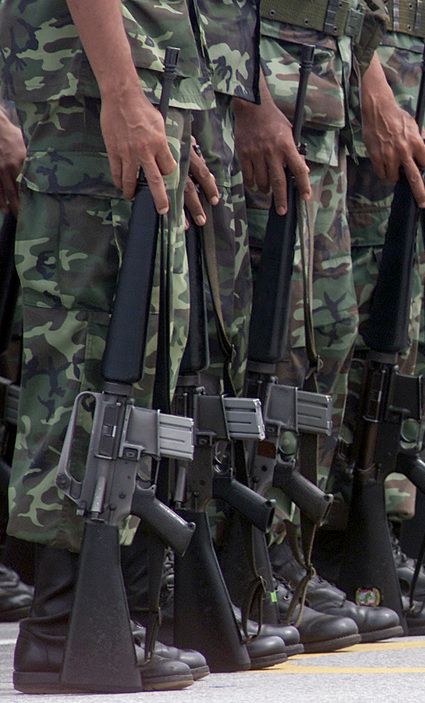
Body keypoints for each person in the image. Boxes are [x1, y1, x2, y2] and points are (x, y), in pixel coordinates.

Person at [0, 0, 216, 692]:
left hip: (132, 81)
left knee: (142, 351)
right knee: (84, 351)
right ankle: (61, 623)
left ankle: (105, 604)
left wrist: (158, 108)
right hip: (91, 84)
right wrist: (122, 92)